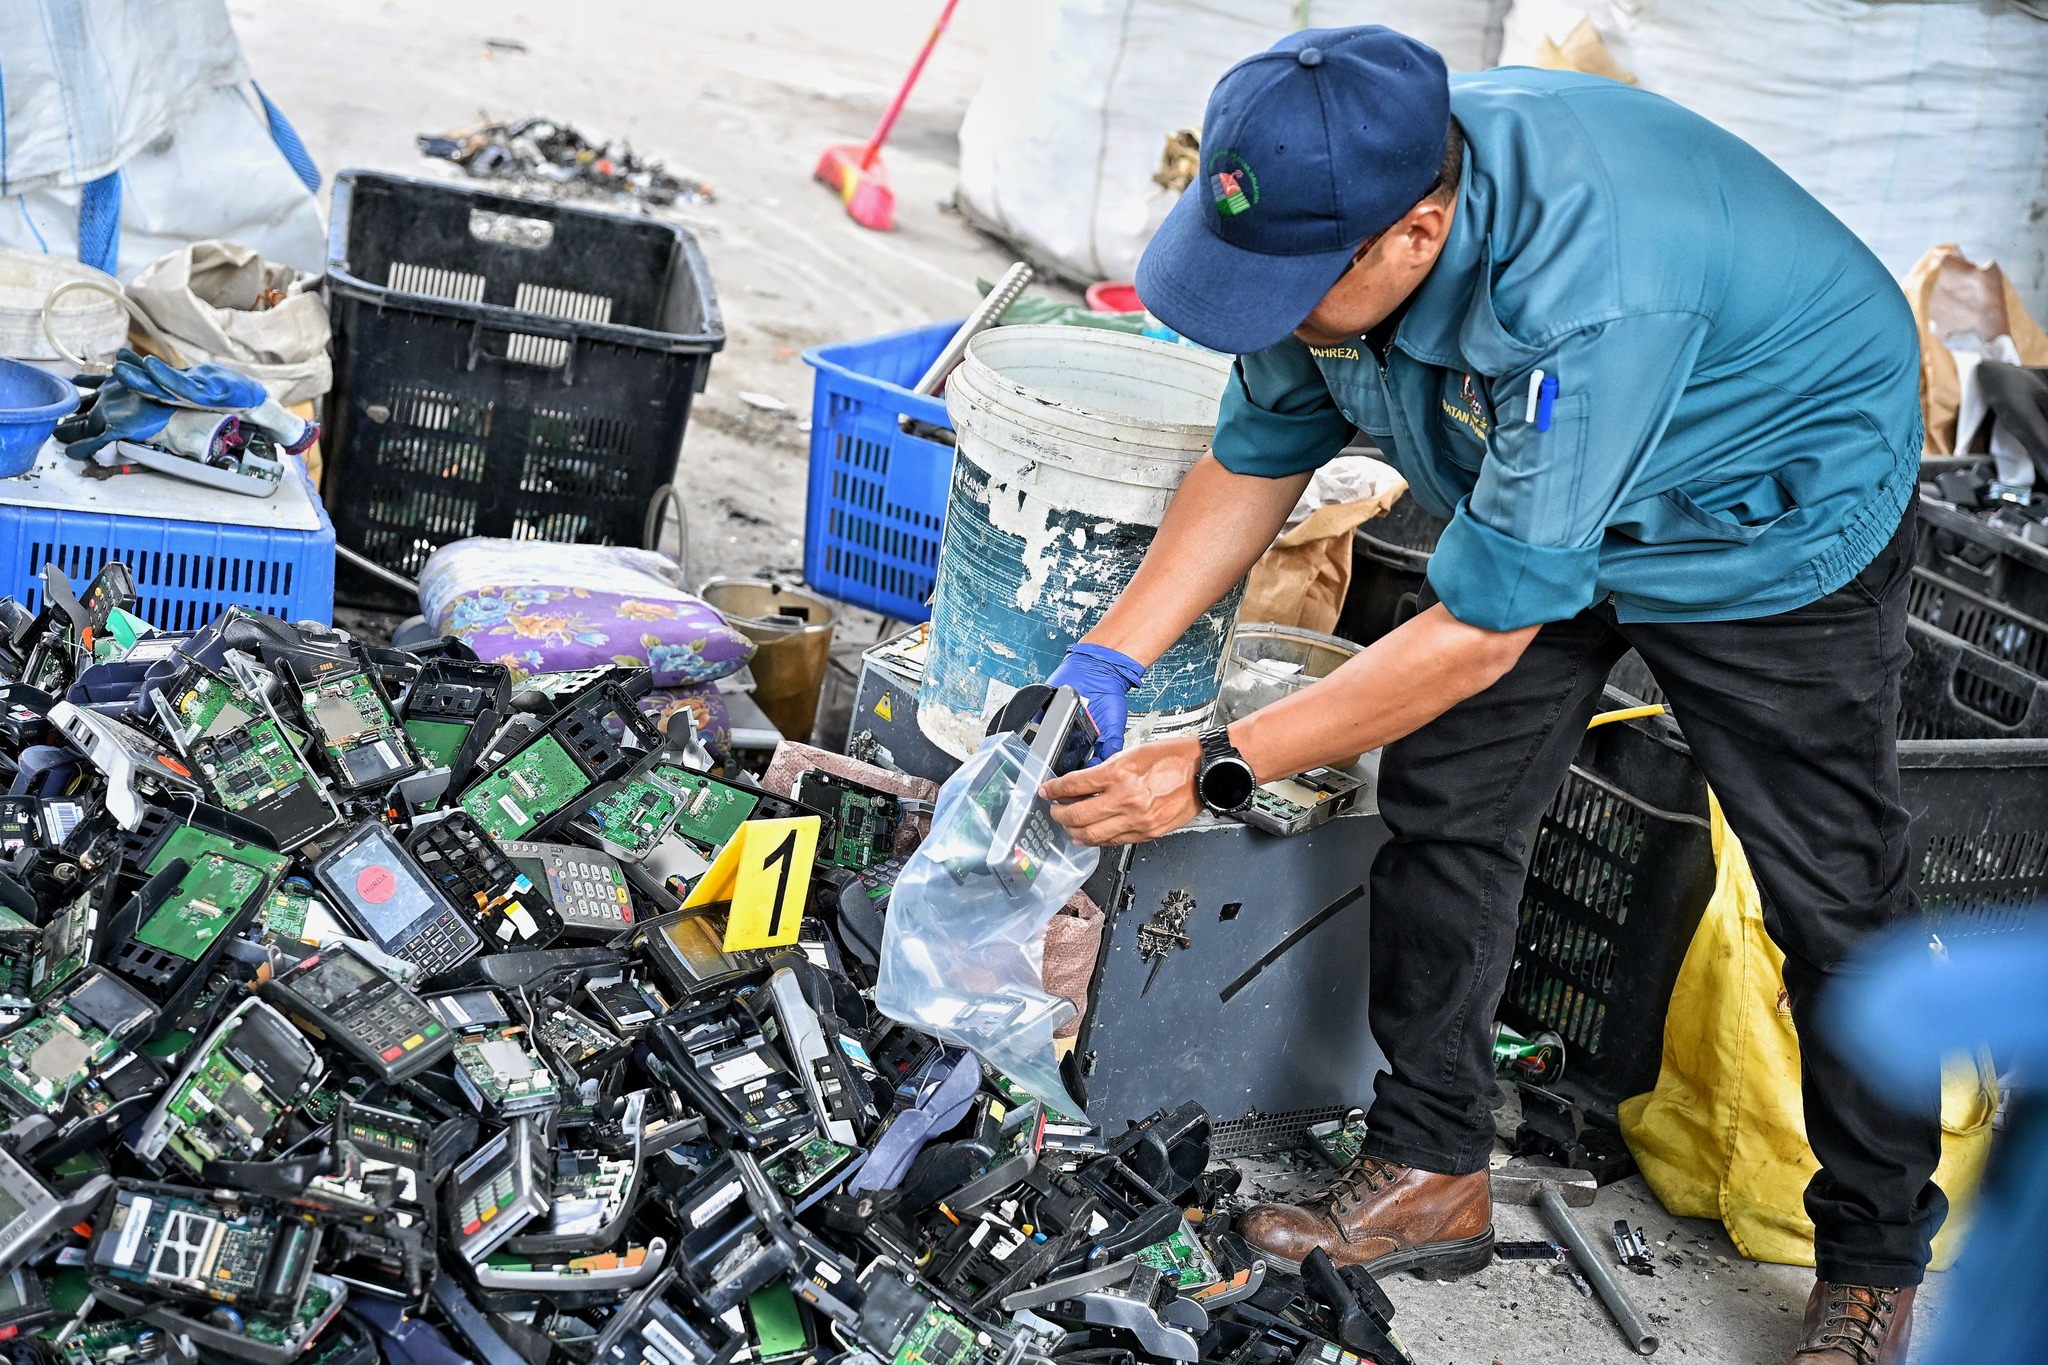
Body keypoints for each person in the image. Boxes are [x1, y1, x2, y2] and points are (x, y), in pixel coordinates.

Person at [1039, 26, 1935, 1365]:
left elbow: (1477, 636)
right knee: (1449, 807)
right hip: (1531, 500)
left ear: (1421, 231)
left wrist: (1214, 764)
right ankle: (1431, 1165)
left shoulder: (1589, 287)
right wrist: (1105, 658)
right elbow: (1256, 453)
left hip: (1761, 521)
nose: (1266, 310)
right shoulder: (1327, 209)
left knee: (1833, 893)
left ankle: (1873, 1258)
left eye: (1286, 286)